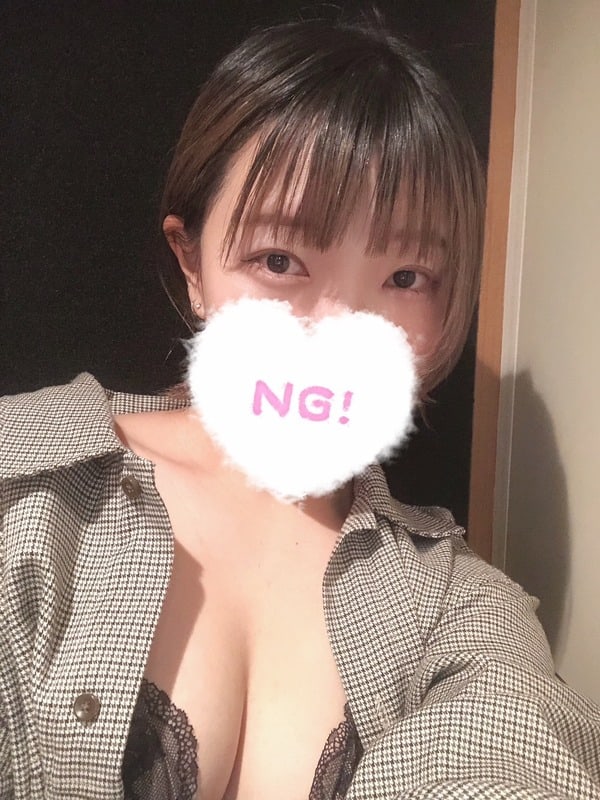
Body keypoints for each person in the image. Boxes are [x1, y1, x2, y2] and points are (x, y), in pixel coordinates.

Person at [1, 13, 599, 800]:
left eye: (406, 278)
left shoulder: (457, 605)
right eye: (279, 260)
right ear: (192, 264)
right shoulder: (23, 480)